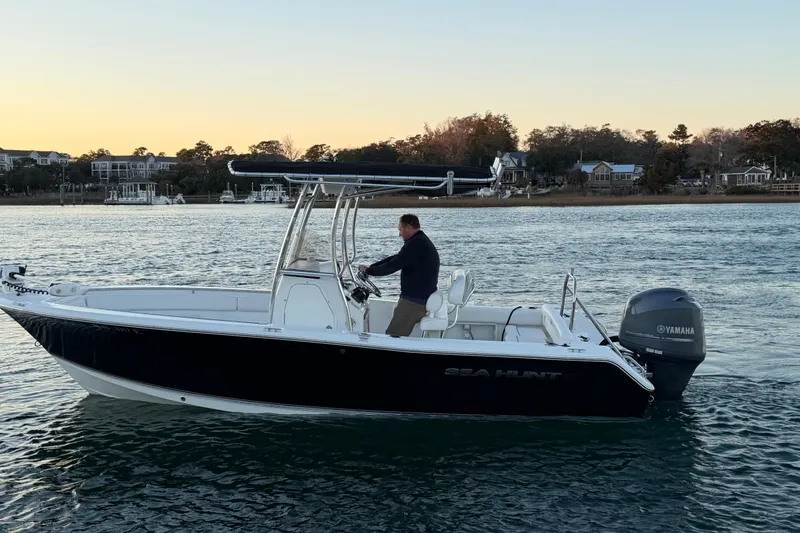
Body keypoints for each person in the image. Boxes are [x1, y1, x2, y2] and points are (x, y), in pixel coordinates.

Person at [359, 214, 440, 337]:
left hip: (414, 302)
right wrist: (371, 268)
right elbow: (396, 258)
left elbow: (393, 265)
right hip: (419, 298)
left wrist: (371, 271)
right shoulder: (418, 242)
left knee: (393, 337)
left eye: (400, 229)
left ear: (408, 227)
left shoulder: (416, 245)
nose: (399, 234)